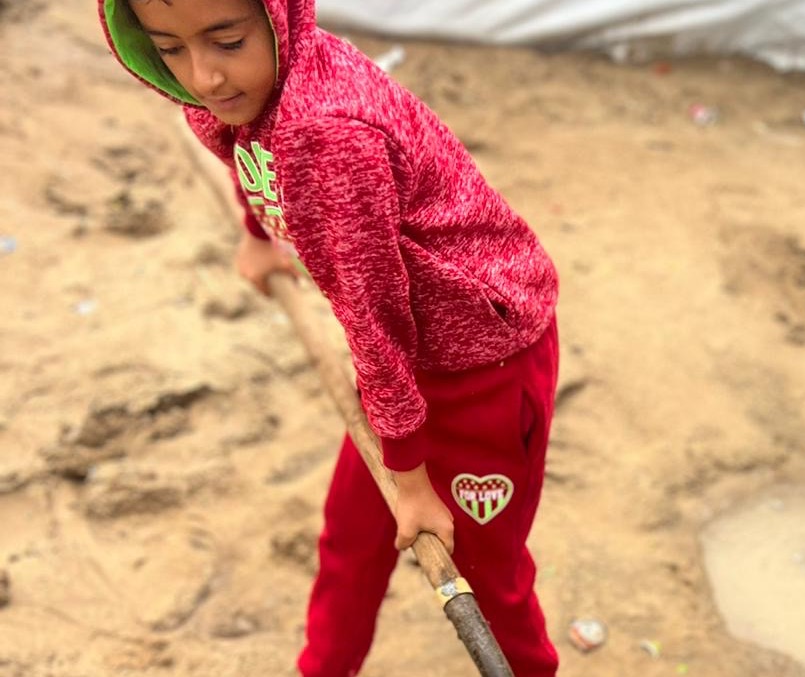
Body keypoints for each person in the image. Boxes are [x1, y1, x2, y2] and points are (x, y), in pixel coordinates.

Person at [98, 0, 561, 675]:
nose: (203, 76)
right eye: (170, 49)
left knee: (487, 573)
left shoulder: (328, 138)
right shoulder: (244, 92)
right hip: (401, 368)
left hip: (481, 357)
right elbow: (247, 149)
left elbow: (373, 316)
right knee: (353, 537)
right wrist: (258, 236)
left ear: (277, 18)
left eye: (226, 41)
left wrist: (410, 477)